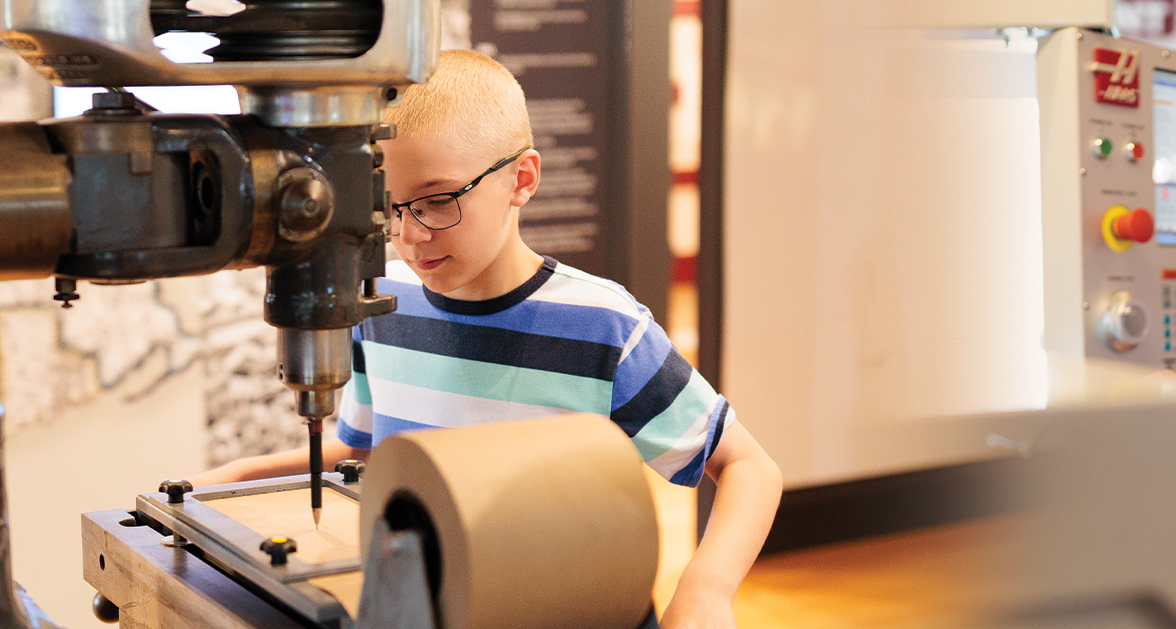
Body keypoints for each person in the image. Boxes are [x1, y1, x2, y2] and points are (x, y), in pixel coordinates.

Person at [189, 50, 781, 628]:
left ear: (521, 179)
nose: (410, 235)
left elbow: (746, 466)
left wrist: (705, 591)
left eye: (438, 201)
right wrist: (235, 478)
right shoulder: (382, 300)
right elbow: (370, 451)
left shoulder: (603, 326)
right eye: (390, 208)